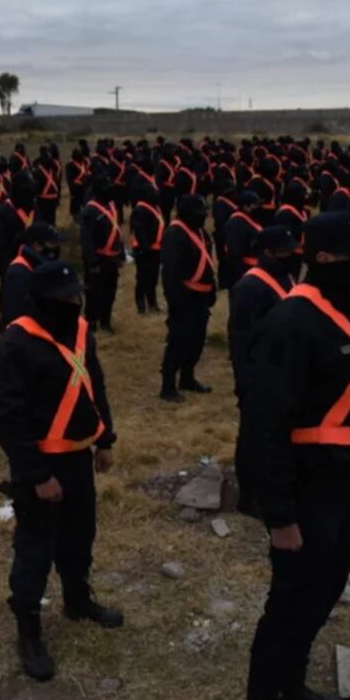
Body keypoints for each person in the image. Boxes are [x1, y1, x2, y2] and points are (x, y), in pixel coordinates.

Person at [241, 210, 350, 700]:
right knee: (291, 601)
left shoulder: (339, 307)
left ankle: (291, 682)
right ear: (324, 259)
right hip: (306, 491)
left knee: (324, 586)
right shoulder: (290, 323)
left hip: (339, 489)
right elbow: (265, 428)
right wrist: (280, 516)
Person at [0, 262, 121, 682]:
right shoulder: (14, 345)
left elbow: (92, 384)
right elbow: (8, 419)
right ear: (42, 300)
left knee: (80, 536)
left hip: (79, 459)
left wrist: (104, 439)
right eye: (65, 297)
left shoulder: (80, 330)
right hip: (41, 468)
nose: (74, 302)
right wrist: (38, 475)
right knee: (35, 550)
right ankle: (28, 630)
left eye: (75, 295)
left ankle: (77, 600)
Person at [228, 226, 298, 517]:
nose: (291, 255)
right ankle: (249, 496)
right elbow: (241, 341)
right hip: (259, 377)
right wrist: (247, 382)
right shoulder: (250, 287)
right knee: (254, 438)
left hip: (285, 370)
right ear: (267, 253)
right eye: (284, 251)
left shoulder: (285, 277)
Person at [160, 194, 217, 402]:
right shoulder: (176, 233)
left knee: (197, 340)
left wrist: (211, 289)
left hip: (201, 295)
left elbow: (208, 261)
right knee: (178, 340)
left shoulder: (201, 232)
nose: (203, 217)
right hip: (184, 297)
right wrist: (176, 299)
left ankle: (187, 377)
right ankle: (168, 385)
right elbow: (171, 271)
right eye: (199, 214)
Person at [80, 174, 124, 333]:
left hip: (112, 258)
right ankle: (91, 323)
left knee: (110, 292)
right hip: (98, 259)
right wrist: (92, 261)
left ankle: (106, 321)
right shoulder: (90, 210)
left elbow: (117, 230)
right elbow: (86, 239)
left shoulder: (111, 205)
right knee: (93, 293)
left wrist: (120, 253)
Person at [0, 223, 62, 333]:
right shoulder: (18, 274)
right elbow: (14, 315)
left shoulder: (38, 267)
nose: (56, 249)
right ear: (37, 246)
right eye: (52, 244)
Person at [129, 181, 165, 315]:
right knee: (143, 278)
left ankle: (152, 303)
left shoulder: (156, 207)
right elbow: (139, 231)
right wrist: (147, 248)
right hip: (144, 250)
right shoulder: (140, 209)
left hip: (156, 249)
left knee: (153, 278)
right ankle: (141, 306)